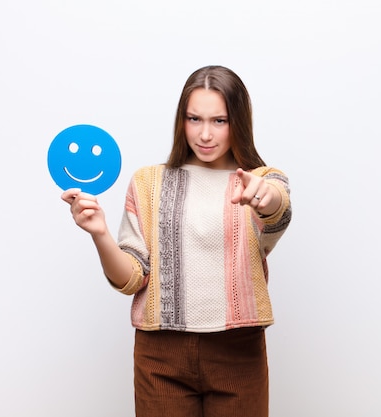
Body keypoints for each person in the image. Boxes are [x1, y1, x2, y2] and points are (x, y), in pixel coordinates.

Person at [61, 65, 292, 417]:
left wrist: (267, 199)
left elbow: (278, 209)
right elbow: (132, 277)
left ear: (239, 122)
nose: (204, 134)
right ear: (181, 120)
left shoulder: (260, 180)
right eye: (194, 118)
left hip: (237, 351)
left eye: (220, 121)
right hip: (160, 354)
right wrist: (100, 233)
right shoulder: (148, 182)